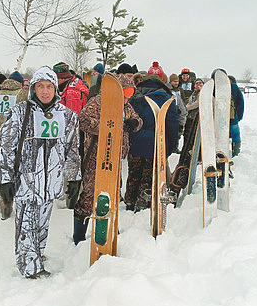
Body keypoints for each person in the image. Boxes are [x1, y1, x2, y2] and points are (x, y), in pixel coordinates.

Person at [0, 66, 81, 279]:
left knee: (42, 225)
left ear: (55, 88)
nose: (44, 91)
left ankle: (38, 255)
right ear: (33, 88)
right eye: (40, 86)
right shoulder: (19, 112)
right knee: (26, 226)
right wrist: (5, 179)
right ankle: (30, 268)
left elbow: (72, 149)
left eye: (49, 86)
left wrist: (74, 177)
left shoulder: (67, 115)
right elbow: (5, 147)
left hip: (50, 182)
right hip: (26, 181)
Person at [73, 72, 142, 245]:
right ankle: (79, 236)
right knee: (89, 196)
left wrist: (134, 124)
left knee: (113, 193)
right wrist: (107, 126)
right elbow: (83, 120)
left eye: (130, 94)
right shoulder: (98, 102)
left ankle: (111, 227)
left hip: (115, 158)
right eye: (125, 94)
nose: (128, 99)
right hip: (96, 158)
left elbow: (137, 120)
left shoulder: (126, 106)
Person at [124, 74, 179, 212]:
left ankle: (129, 202)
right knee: (148, 177)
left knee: (133, 174)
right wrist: (172, 145)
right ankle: (142, 205)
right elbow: (172, 125)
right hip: (156, 145)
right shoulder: (167, 99)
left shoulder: (133, 98)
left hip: (135, 143)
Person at [0, 71, 29, 220]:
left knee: (4, 173)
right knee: (21, 171)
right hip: (20, 140)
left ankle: (5, 207)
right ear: (19, 83)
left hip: (1, 139)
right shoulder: (23, 95)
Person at [166, 73, 188, 150]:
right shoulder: (168, 91)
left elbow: (183, 101)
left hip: (178, 115)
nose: (176, 83)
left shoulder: (179, 90)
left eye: (177, 81)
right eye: (174, 81)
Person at [228, 75, 245, 156]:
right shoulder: (235, 88)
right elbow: (241, 103)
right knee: (236, 135)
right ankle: (236, 153)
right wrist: (238, 117)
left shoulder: (218, 88)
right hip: (233, 118)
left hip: (221, 119)